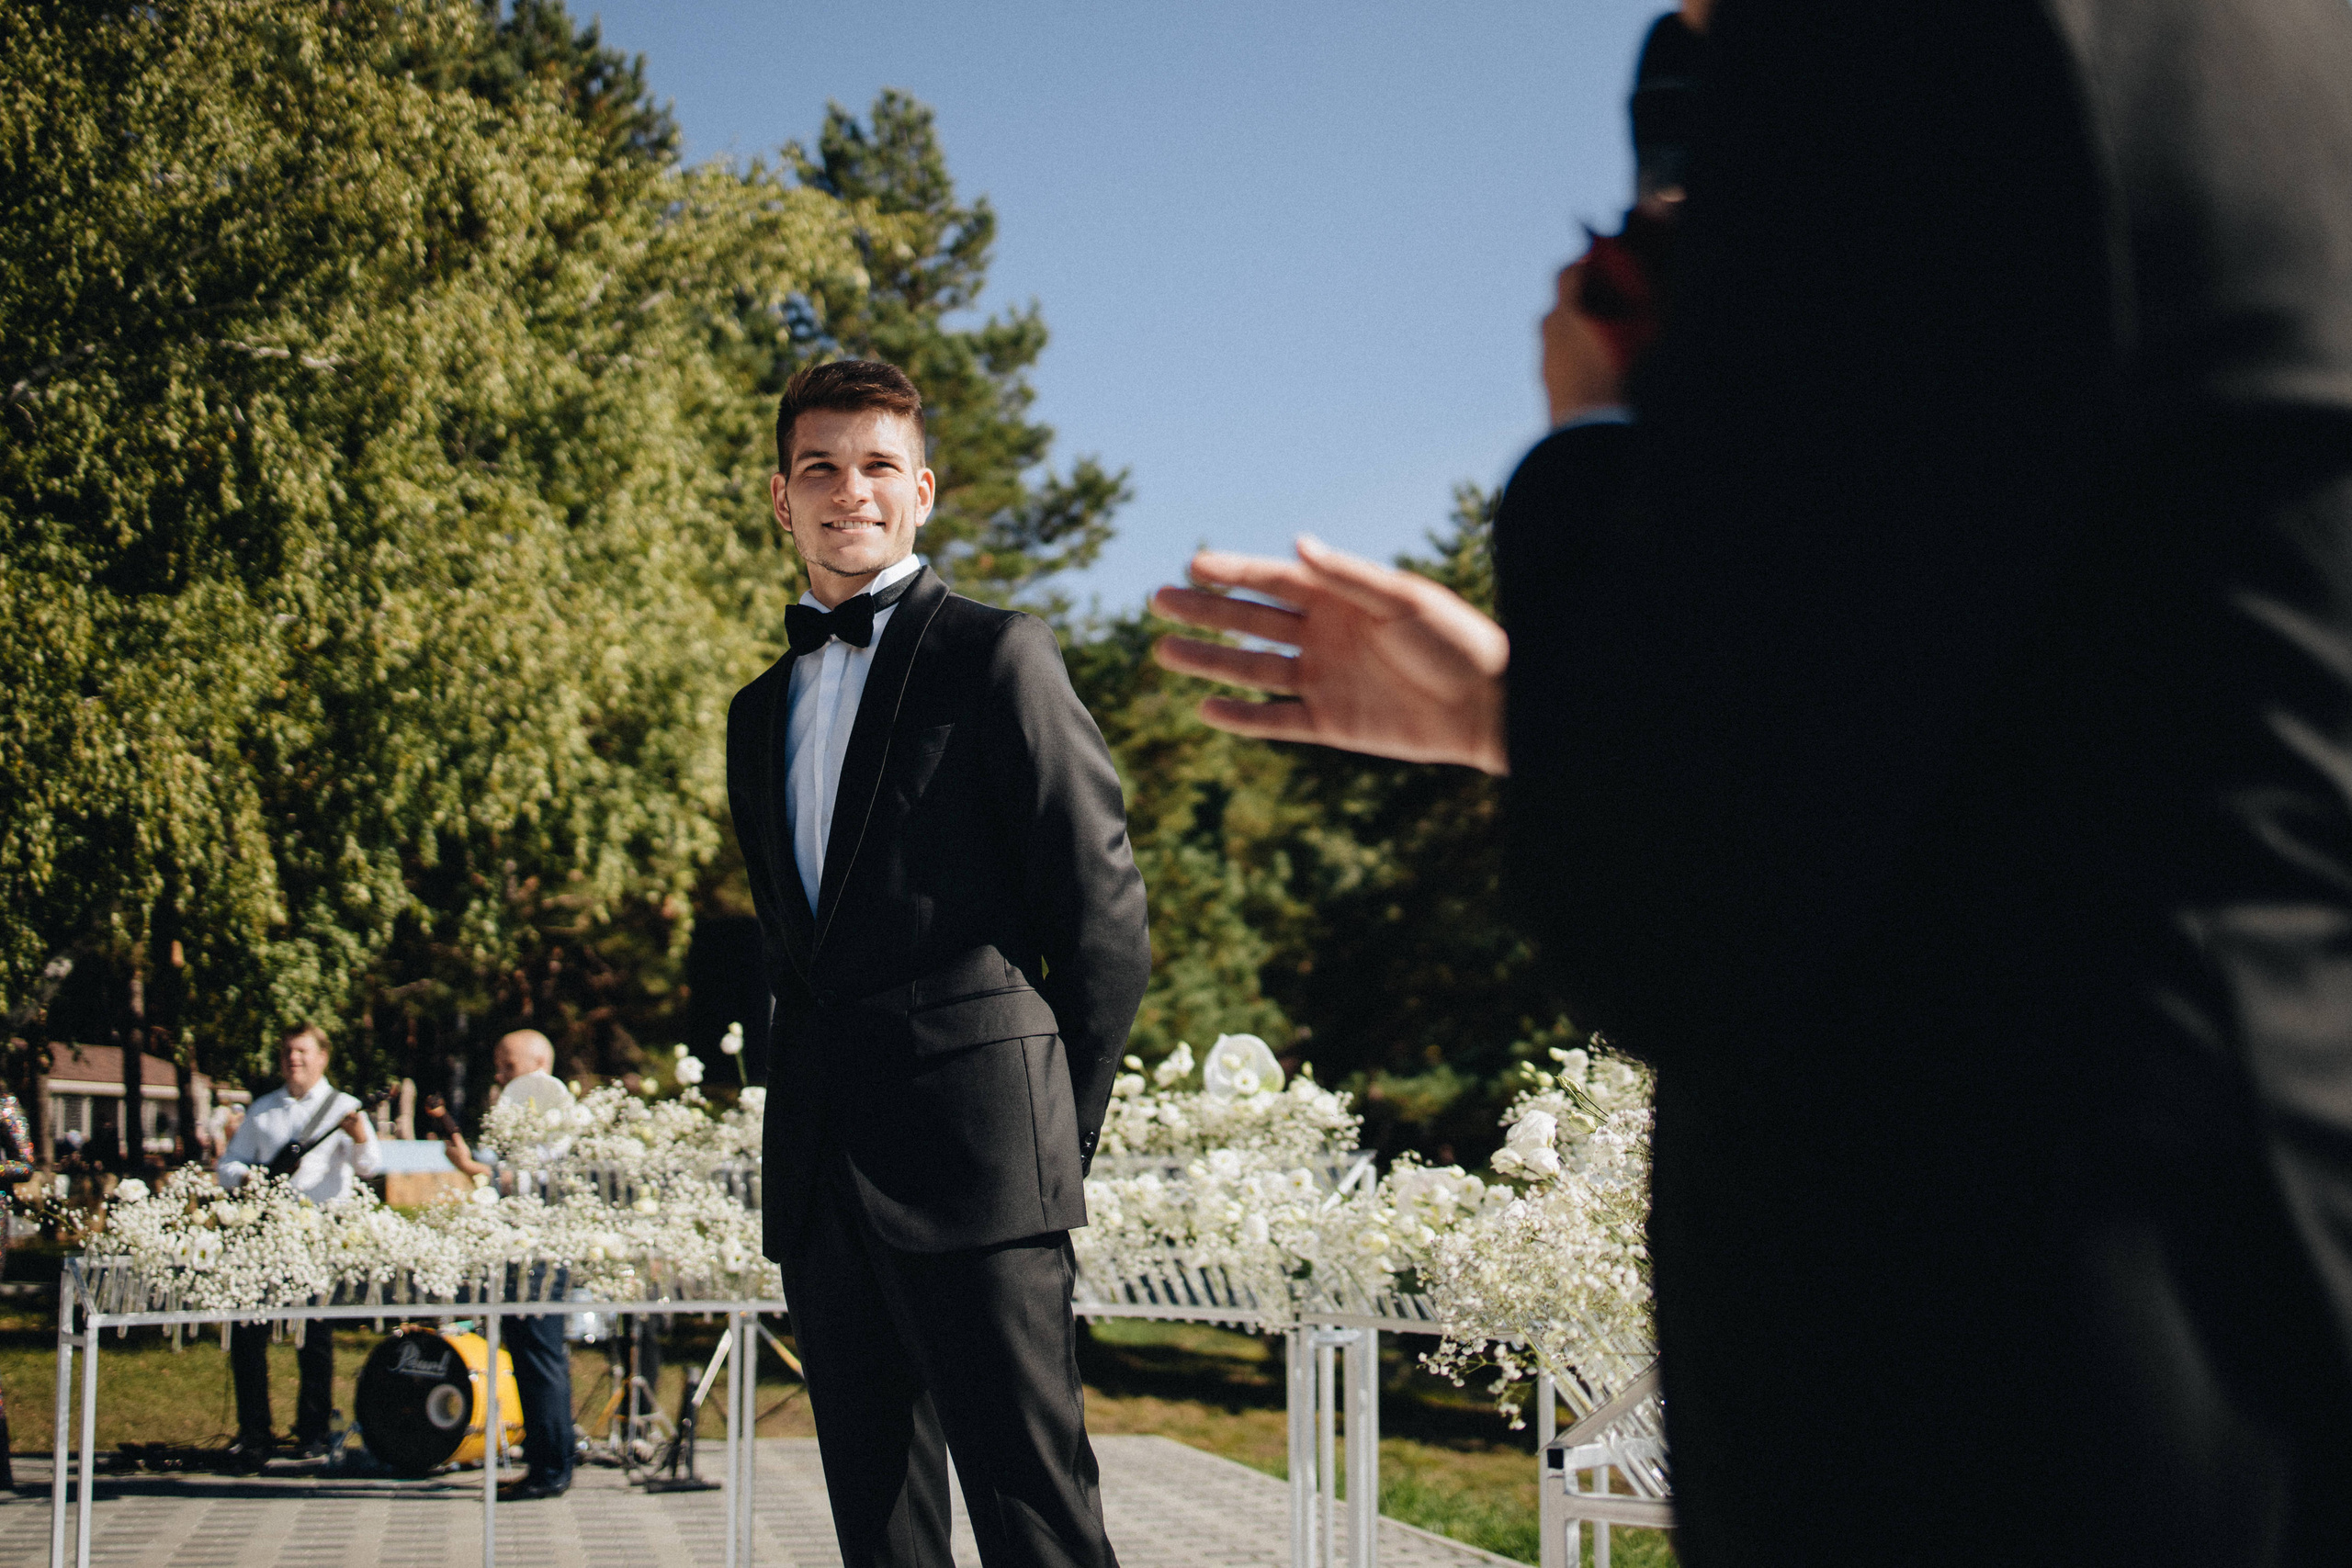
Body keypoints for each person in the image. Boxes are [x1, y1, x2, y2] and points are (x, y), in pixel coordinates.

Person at [1153, 1, 2352, 1562]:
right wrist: (1523, 710)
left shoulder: (1906, 46)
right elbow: (2057, 716)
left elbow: (1667, 896)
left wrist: (1597, 439)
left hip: (1994, 1356)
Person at [727, 359, 1150, 1568]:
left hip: (985, 1169)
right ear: (780, 494)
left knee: (1037, 1517)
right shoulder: (755, 712)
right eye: (819, 466)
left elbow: (1106, 920)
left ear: (921, 490)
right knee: (882, 1528)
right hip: (822, 1185)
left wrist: (1047, 1142)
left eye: (874, 466)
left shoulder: (997, 655)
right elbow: (789, 948)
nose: (846, 490)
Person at [217, 1022, 381, 1463]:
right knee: (249, 1332)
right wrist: (250, 1177)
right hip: (266, 1231)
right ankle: (254, 1432)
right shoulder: (264, 1109)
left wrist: (361, 1136)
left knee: (315, 1336)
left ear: (323, 1057)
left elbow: (370, 1166)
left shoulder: (344, 1107)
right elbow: (228, 1164)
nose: (295, 1059)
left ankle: (312, 1431)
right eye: (289, 1051)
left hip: (315, 1232)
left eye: (304, 1051)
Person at [428, 1028, 578, 1501]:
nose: (499, 1075)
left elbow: (531, 1181)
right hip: (520, 1251)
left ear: (537, 1066)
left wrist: (474, 1170)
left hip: (541, 1255)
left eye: (507, 1066)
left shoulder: (559, 1120)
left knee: (541, 1357)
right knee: (531, 1358)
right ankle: (544, 1461)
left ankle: (552, 1468)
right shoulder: (527, 1118)